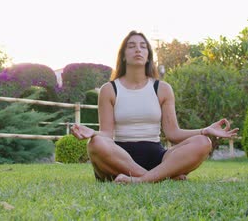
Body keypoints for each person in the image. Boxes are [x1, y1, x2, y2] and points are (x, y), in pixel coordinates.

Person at [71, 30, 238, 183]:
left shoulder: (162, 89)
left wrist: (205, 130)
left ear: (149, 55)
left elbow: (173, 133)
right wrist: (93, 133)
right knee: (95, 144)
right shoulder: (109, 89)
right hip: (120, 158)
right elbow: (106, 134)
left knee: (203, 142)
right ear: (123, 55)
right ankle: (160, 177)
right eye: (132, 46)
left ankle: (142, 180)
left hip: (157, 156)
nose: (138, 50)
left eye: (143, 46)